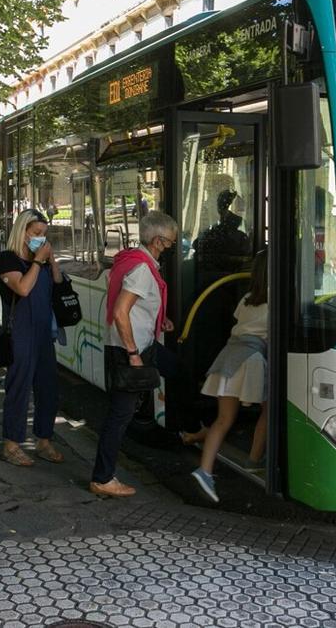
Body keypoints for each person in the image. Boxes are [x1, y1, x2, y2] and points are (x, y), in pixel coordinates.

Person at [90, 211, 179, 498]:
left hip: (142, 343)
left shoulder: (133, 260)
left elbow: (134, 304)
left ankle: (188, 430)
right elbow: (120, 311)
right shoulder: (142, 269)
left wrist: (158, 320)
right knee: (120, 415)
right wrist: (133, 354)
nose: (170, 248)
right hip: (130, 349)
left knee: (178, 371)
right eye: (169, 243)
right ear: (157, 241)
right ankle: (102, 477)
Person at [187, 250, 269, 503]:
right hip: (252, 359)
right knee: (269, 410)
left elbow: (238, 322)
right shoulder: (280, 300)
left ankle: (205, 470)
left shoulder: (246, 298)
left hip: (229, 354)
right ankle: (254, 460)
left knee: (223, 419)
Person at [0, 209, 65, 467]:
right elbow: (22, 288)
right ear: (22, 232)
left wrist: (51, 259)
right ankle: (11, 444)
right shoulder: (7, 259)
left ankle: (44, 439)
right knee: (19, 388)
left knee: (49, 389)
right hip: (20, 333)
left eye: (44, 235)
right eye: (36, 234)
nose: (40, 239)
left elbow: (57, 283)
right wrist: (37, 262)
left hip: (43, 331)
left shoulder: (43, 260)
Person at [192, 187, 250, 269]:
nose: (241, 213)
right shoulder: (214, 234)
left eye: (242, 209)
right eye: (239, 209)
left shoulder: (213, 233)